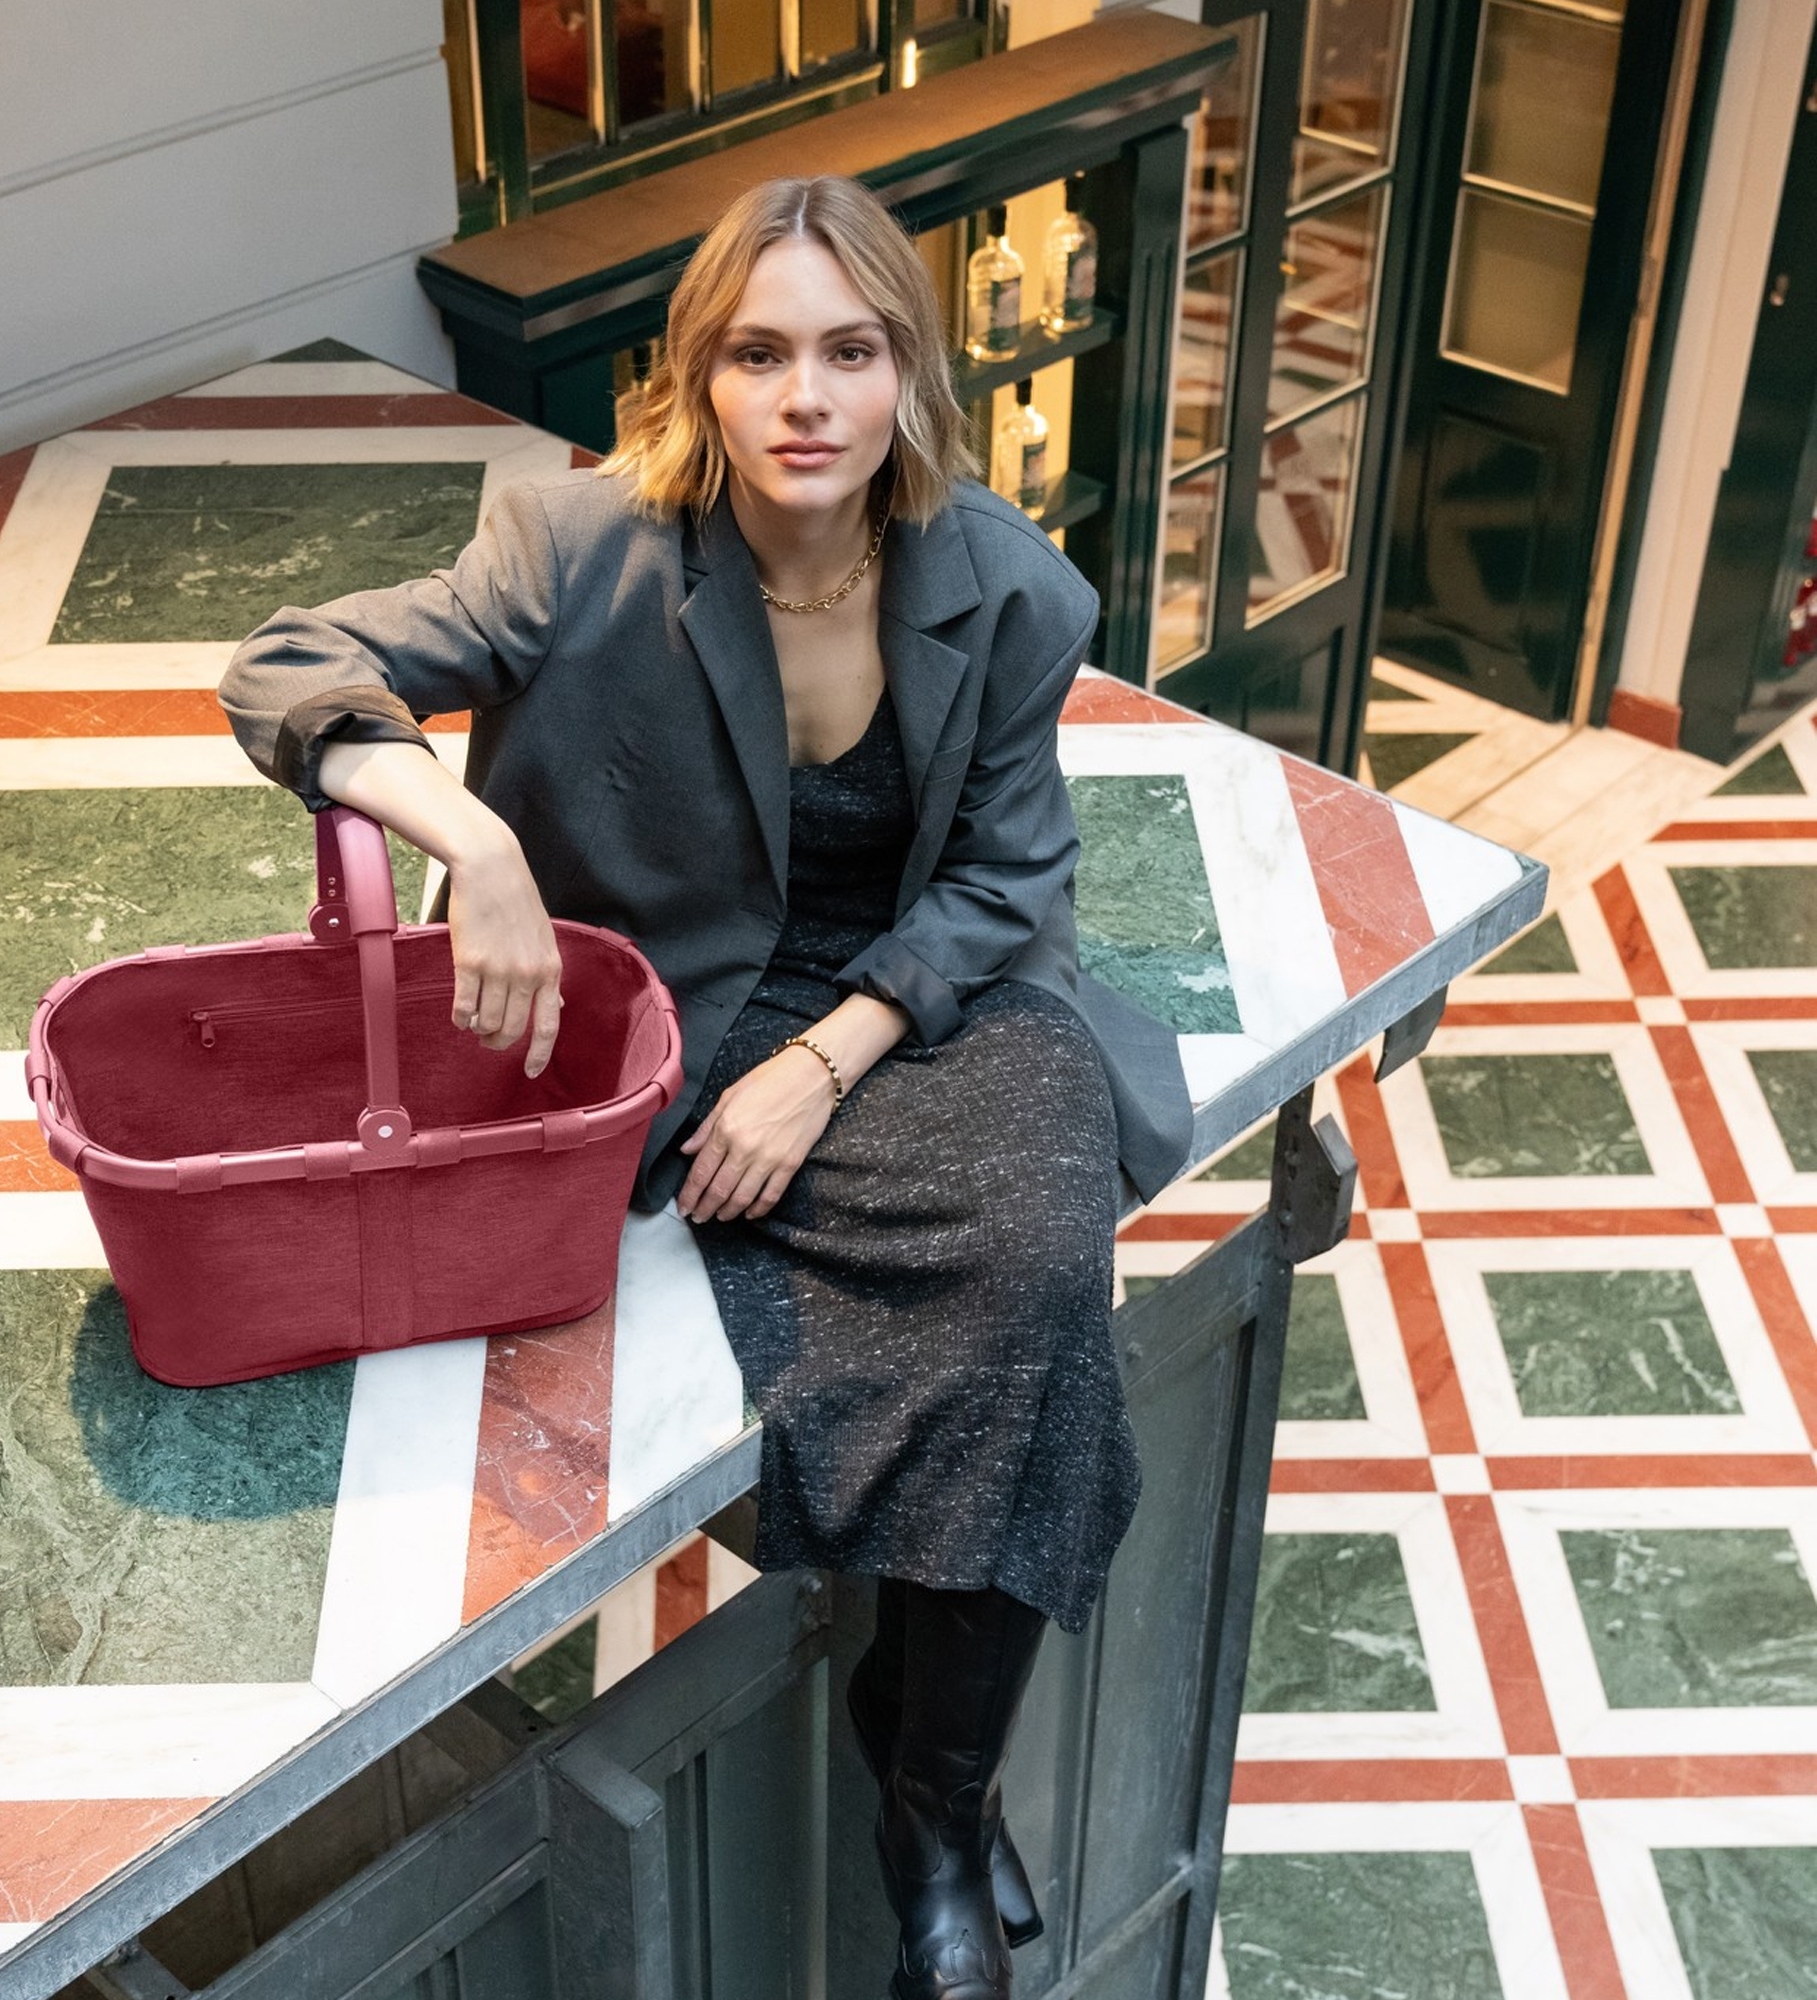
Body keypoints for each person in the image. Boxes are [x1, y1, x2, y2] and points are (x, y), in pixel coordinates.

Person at [219, 174, 1193, 2000]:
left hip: (909, 999)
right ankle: (944, 1799)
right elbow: (288, 665)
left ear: (909, 373)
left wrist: (831, 1061)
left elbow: (1005, 884)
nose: (805, 395)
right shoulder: (574, 544)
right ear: (700, 376)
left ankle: (930, 1788)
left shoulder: (1009, 589)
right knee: (987, 1328)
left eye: (849, 350)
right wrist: (467, 835)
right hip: (680, 1005)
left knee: (1049, 1269)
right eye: (759, 352)